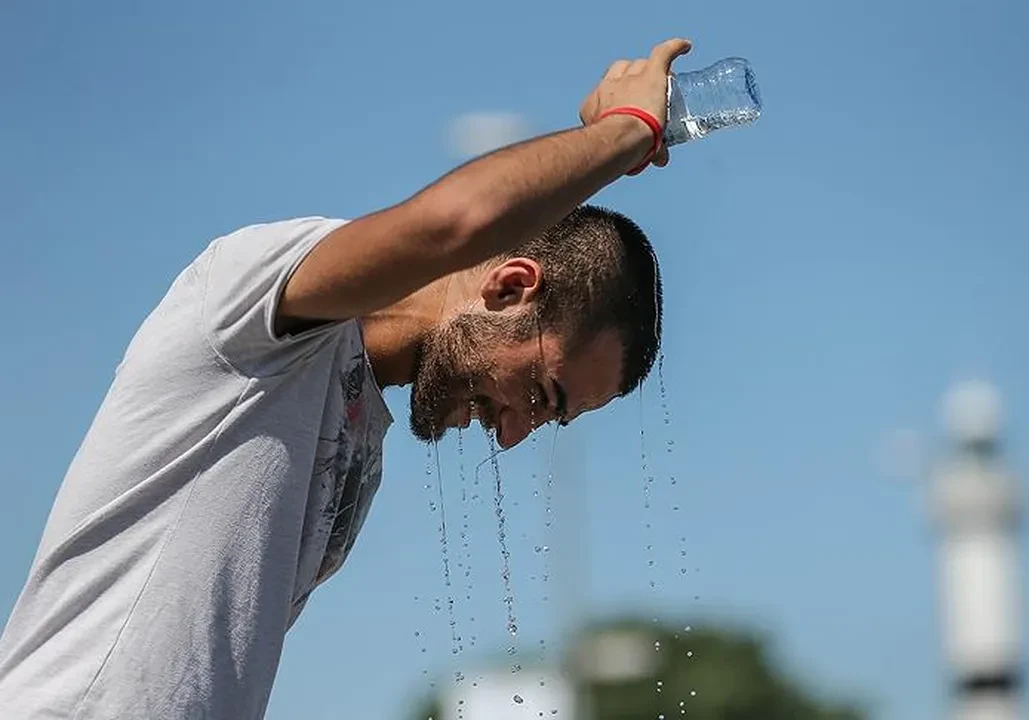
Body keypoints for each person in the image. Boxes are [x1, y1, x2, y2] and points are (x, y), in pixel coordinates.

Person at [0, 37, 692, 719]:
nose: (512, 435)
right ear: (509, 288)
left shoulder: (360, 436)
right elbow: (457, 224)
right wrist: (626, 132)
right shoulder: (256, 306)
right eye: (541, 394)